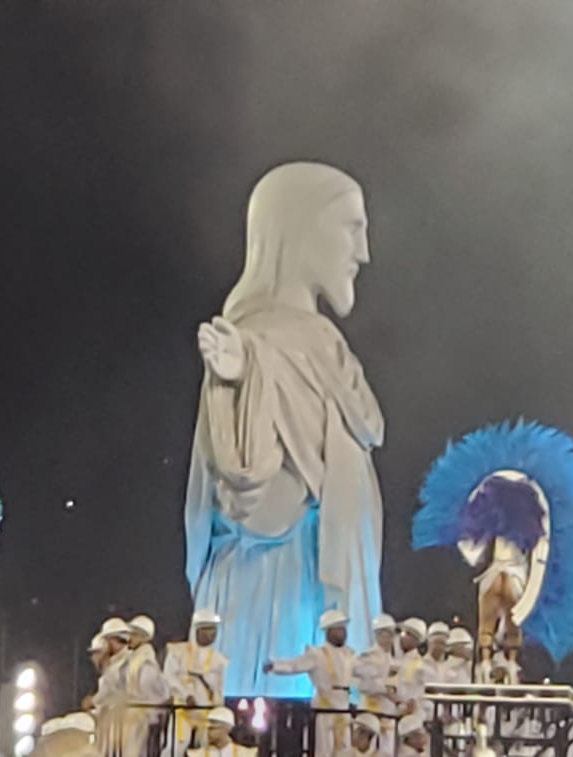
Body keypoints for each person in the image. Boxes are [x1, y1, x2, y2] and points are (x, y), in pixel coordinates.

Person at [186, 162, 386, 698]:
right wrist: (241, 380)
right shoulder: (253, 343)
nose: (362, 253)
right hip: (267, 585)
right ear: (299, 232)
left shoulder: (326, 344)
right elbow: (242, 480)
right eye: (351, 228)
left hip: (316, 575)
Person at [264, 610, 357, 756]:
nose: (342, 632)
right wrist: (275, 666)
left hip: (343, 710)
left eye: (343, 628)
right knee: (324, 751)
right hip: (325, 709)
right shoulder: (317, 654)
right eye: (338, 629)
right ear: (328, 631)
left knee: (345, 751)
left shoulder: (350, 655)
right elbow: (295, 665)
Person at [167, 610, 230, 749]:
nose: (212, 634)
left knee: (206, 749)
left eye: (214, 630)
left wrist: (219, 710)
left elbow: (219, 688)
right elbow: (169, 677)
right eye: (207, 629)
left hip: (206, 711)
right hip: (182, 709)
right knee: (176, 746)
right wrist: (185, 696)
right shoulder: (177, 653)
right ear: (196, 630)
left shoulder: (219, 660)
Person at [355, 614, 400, 755]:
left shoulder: (394, 660)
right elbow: (364, 685)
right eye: (387, 633)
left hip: (388, 713)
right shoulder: (366, 657)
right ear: (378, 634)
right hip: (370, 712)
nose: (390, 638)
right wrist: (385, 689)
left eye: (392, 634)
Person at [124, 615, 169, 756]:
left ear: (144, 637)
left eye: (134, 634)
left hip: (140, 718)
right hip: (133, 717)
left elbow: (156, 693)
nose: (129, 638)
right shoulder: (135, 659)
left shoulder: (146, 663)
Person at [187, 706, 258, 756]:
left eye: (213, 729)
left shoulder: (245, 754)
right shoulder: (196, 755)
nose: (209, 733)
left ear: (226, 729)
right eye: (208, 729)